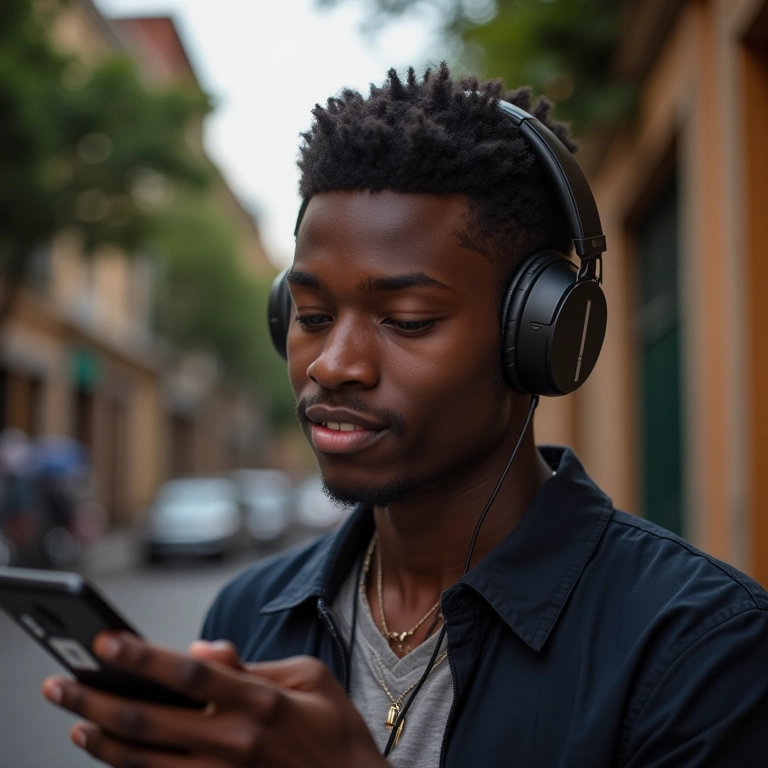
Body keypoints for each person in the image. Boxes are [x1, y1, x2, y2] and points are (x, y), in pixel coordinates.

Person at [43, 64, 768, 767]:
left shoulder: (702, 648)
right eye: (313, 315)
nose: (333, 364)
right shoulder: (249, 616)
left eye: (409, 319)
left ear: (541, 337)